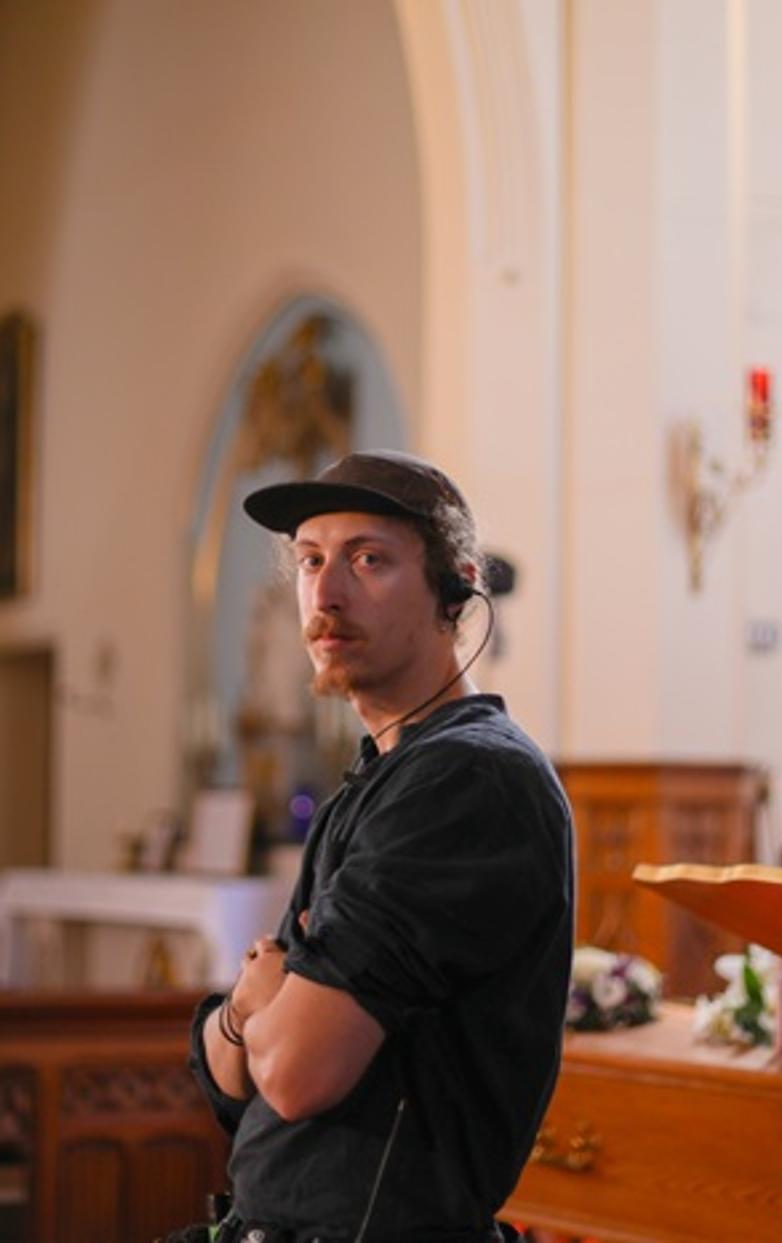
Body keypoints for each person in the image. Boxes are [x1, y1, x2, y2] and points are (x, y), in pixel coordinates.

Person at [185, 450, 575, 1243]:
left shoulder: (467, 780)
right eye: (310, 560)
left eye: (368, 559)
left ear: (454, 587)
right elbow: (229, 1087)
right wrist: (251, 1017)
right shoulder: (378, 780)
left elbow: (292, 1075)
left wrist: (263, 1001)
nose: (325, 593)